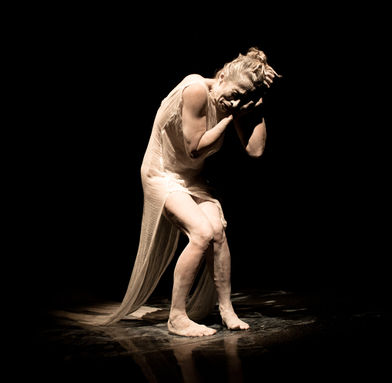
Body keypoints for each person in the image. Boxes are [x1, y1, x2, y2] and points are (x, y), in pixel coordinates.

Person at [65, 47, 280, 337]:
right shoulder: (195, 89)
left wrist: (256, 108)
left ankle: (227, 310)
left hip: (190, 178)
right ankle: (177, 317)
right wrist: (231, 119)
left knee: (217, 230)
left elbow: (255, 151)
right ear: (223, 74)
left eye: (244, 97)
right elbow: (194, 150)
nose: (235, 100)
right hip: (161, 174)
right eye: (236, 92)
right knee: (201, 232)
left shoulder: (236, 103)